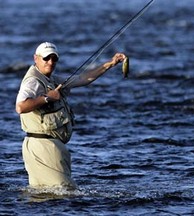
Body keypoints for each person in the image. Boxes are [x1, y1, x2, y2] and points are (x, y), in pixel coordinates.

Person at [15, 42, 126, 189]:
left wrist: (109, 64)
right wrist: (47, 98)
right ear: (36, 58)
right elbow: (20, 107)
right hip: (42, 146)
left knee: (44, 194)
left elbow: (83, 78)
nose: (50, 62)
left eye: (54, 59)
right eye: (46, 58)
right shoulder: (32, 81)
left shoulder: (51, 79)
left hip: (50, 146)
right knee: (66, 191)